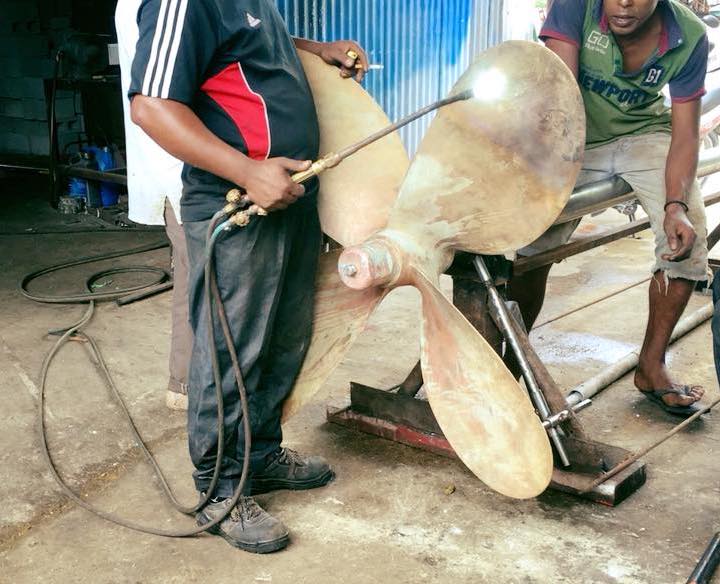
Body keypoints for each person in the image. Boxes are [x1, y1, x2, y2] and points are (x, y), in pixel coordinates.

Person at [126, 0, 368, 553]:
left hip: (290, 194)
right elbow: (151, 107)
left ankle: (258, 457)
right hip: (236, 201)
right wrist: (246, 171)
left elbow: (247, 56)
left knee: (284, 340)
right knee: (231, 349)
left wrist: (317, 52)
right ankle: (219, 488)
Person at [508, 0, 712, 417]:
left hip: (643, 136)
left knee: (688, 245)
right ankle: (510, 363)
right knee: (529, 247)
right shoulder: (573, 7)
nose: (624, 2)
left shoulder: (689, 36)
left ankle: (651, 366)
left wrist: (675, 205)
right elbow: (558, 98)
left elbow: (685, 133)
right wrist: (543, 181)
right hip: (573, 135)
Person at [115, 0, 191, 412]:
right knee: (209, 286)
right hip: (185, 171)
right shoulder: (161, 5)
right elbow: (153, 105)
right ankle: (201, 395)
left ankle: (185, 387)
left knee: (193, 281)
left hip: (180, 169)